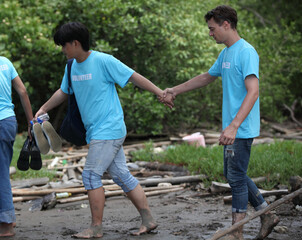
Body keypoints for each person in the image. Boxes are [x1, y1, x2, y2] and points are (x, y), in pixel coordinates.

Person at [35, 22, 173, 239]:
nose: (62, 50)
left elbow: (133, 76)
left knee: (90, 175)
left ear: (75, 43)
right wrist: (43, 108)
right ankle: (149, 220)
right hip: (96, 131)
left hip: (109, 128)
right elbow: (64, 91)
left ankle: (96, 227)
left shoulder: (103, 61)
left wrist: (160, 93)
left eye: (64, 45)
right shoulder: (71, 66)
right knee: (120, 174)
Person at [161, 5, 279, 240]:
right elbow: (207, 77)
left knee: (235, 176)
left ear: (226, 24)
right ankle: (266, 214)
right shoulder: (226, 54)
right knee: (233, 173)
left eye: (212, 29)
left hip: (241, 127)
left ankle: (236, 232)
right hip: (233, 126)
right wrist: (174, 90)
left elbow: (253, 92)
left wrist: (234, 125)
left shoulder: (246, 52)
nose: (210, 33)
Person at [0, 56, 33, 237]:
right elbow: (23, 91)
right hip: (8, 121)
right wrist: (30, 122)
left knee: (1, 173)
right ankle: (6, 218)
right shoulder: (5, 61)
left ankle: (6, 225)